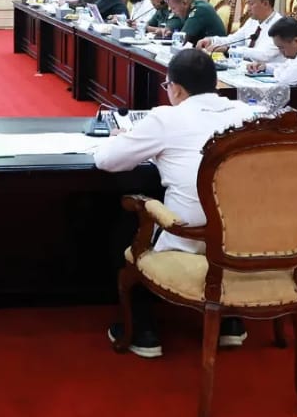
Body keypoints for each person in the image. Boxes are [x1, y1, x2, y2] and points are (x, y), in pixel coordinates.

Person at [93, 49, 254, 358]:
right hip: (244, 239)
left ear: (176, 88)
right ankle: (230, 322)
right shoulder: (247, 114)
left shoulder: (167, 117)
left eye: (167, 87)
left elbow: (106, 160)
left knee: (128, 223)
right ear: (216, 83)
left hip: (192, 238)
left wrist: (129, 140)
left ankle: (142, 329)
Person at [197, 0, 283, 63]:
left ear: (265, 3)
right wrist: (211, 40)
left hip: (268, 73)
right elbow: (233, 40)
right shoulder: (252, 21)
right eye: (247, 4)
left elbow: (264, 55)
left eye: (251, 4)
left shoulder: (279, 25)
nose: (248, 8)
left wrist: (228, 49)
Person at [161, 0, 225, 44]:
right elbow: (178, 26)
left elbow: (182, 41)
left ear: (184, 3)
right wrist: (170, 31)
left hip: (215, 53)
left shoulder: (199, 10)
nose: (173, 12)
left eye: (174, 8)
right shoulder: (190, 7)